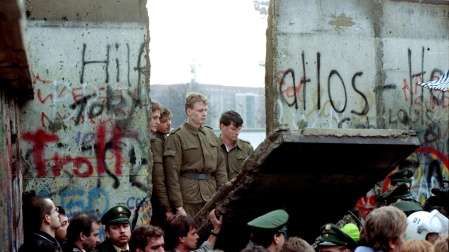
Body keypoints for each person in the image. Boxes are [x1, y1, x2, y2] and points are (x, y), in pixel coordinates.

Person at [164, 92, 227, 217]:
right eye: (200, 110)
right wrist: (178, 205)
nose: (204, 113)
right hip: (188, 198)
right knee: (189, 233)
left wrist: (222, 197)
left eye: (205, 110)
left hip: (210, 195)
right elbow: (172, 174)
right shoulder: (177, 136)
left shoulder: (210, 134)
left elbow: (220, 168)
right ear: (189, 111)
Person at [151, 104, 174, 227]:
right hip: (159, 203)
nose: (169, 123)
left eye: (169, 120)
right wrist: (167, 208)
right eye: (163, 121)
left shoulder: (164, 139)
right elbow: (158, 178)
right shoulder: (155, 142)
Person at [217, 110, 254, 180]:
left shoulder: (247, 148)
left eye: (239, 129)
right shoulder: (212, 147)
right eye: (233, 129)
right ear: (222, 126)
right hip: (217, 189)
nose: (237, 133)